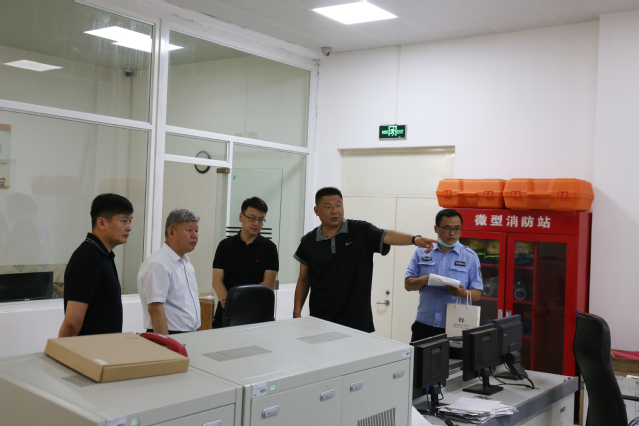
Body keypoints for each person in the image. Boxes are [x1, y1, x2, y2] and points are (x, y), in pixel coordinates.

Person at [293, 187, 437, 333]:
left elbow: (386, 235)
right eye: (328, 207)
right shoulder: (308, 241)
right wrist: (296, 313)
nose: (335, 211)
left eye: (338, 205)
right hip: (320, 320)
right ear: (317, 210)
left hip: (356, 321)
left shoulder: (360, 230)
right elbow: (304, 280)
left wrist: (414, 239)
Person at [59, 193, 133, 337]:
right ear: (102, 223)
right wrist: (60, 350)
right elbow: (72, 323)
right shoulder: (88, 259)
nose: (129, 227)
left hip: (105, 347)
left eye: (130, 221)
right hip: (88, 349)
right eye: (124, 221)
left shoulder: (103, 255)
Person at [404, 208, 483, 342]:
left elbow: (477, 294)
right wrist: (424, 280)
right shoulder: (422, 252)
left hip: (456, 325)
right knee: (419, 356)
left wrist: (462, 293)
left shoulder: (470, 256)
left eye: (456, 229)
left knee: (455, 357)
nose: (452, 233)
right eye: (447, 228)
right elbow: (408, 285)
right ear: (436, 228)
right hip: (424, 324)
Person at [212, 197, 278, 328]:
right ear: (241, 217)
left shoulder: (269, 248)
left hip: (256, 313)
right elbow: (217, 280)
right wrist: (230, 304)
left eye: (261, 219)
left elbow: (267, 285)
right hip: (226, 312)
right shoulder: (225, 245)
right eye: (252, 218)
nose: (256, 223)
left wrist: (240, 304)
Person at [137, 208, 201, 335]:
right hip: (169, 334)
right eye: (189, 230)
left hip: (190, 333)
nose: (194, 236)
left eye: (196, 231)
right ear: (171, 232)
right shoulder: (158, 264)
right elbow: (155, 309)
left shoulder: (187, 264)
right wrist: (165, 343)